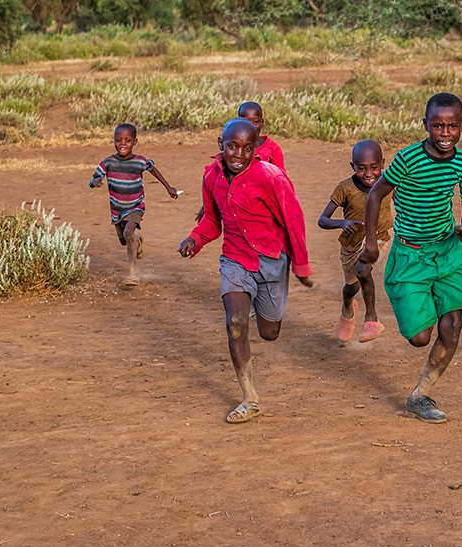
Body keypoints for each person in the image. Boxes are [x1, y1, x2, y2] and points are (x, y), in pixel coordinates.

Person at [358, 92, 462, 424]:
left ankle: (421, 394)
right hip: (410, 253)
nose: (445, 133)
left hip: (447, 251)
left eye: (452, 126)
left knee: (452, 324)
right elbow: (375, 194)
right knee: (419, 337)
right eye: (438, 126)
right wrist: (371, 243)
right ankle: (418, 298)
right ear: (425, 125)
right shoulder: (408, 159)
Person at [178, 118, 313, 424]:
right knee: (236, 322)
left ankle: (261, 308)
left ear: (256, 148)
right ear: (220, 144)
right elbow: (212, 221)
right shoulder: (211, 176)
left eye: (247, 148)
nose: (238, 154)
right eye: (232, 146)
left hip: (272, 259)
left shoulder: (271, 177)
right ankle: (250, 397)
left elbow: (294, 220)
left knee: (269, 332)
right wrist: (195, 238)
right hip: (235, 259)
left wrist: (302, 265)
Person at [317, 139, 394, 345]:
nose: (369, 174)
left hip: (380, 238)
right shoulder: (345, 188)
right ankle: (347, 307)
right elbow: (322, 220)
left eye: (374, 168)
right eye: (362, 168)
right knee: (351, 287)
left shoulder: (389, 182)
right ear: (353, 167)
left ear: (383, 164)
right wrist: (342, 222)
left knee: (363, 269)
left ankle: (371, 320)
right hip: (350, 245)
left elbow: (405, 203)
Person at [89, 123, 178, 286]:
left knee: (128, 232)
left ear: (134, 142)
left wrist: (168, 187)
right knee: (125, 239)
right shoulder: (108, 162)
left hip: (136, 207)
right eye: (118, 140)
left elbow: (153, 170)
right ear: (114, 141)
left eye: (127, 140)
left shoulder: (140, 161)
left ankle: (133, 273)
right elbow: (94, 178)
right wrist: (95, 181)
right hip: (117, 209)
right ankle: (137, 241)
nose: (123, 143)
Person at [195, 101, 286, 224]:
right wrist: (206, 207)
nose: (252, 126)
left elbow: (281, 183)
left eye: (256, 121)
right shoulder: (232, 151)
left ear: (262, 123)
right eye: (246, 120)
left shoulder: (272, 149)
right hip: (236, 205)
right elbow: (219, 179)